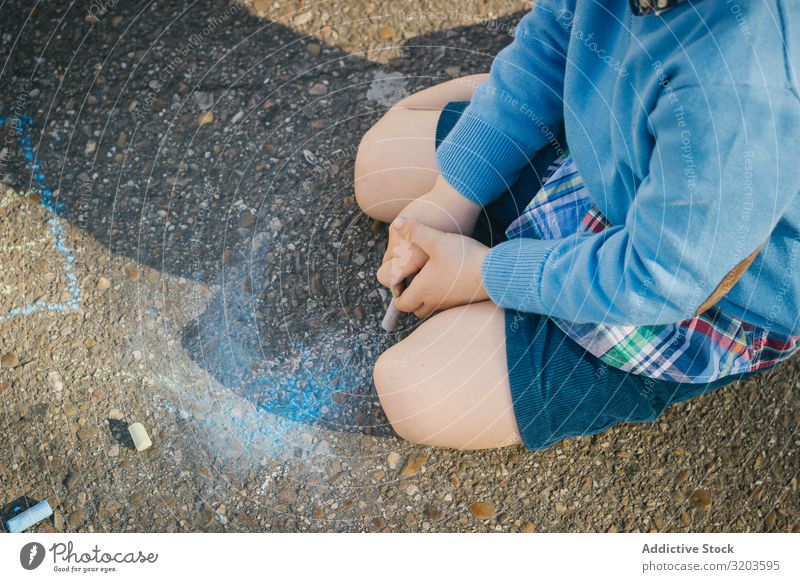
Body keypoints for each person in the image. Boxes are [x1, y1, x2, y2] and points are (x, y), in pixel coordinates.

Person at [354, 0, 800, 451]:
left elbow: (662, 276)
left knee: (416, 393)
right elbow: (554, 35)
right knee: (377, 169)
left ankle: (603, 100)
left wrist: (485, 273)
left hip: (707, 288)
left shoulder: (743, 86)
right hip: (615, 156)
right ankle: (593, 99)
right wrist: (450, 198)